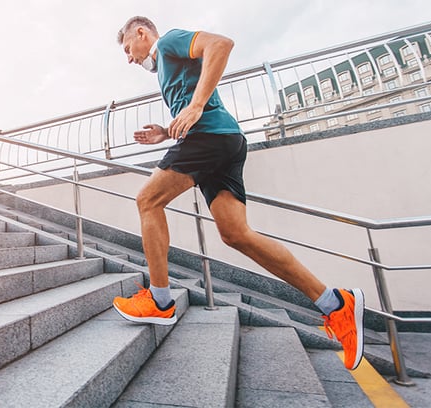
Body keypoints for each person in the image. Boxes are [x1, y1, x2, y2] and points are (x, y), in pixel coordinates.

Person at [111, 16, 365, 370]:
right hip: (224, 141)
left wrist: (196, 106)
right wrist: (166, 134)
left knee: (147, 200)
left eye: (127, 49)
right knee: (236, 234)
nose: (129, 58)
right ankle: (336, 303)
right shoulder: (168, 68)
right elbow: (193, 103)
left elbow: (221, 44)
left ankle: (160, 300)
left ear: (141, 33)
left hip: (210, 139)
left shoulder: (168, 42)